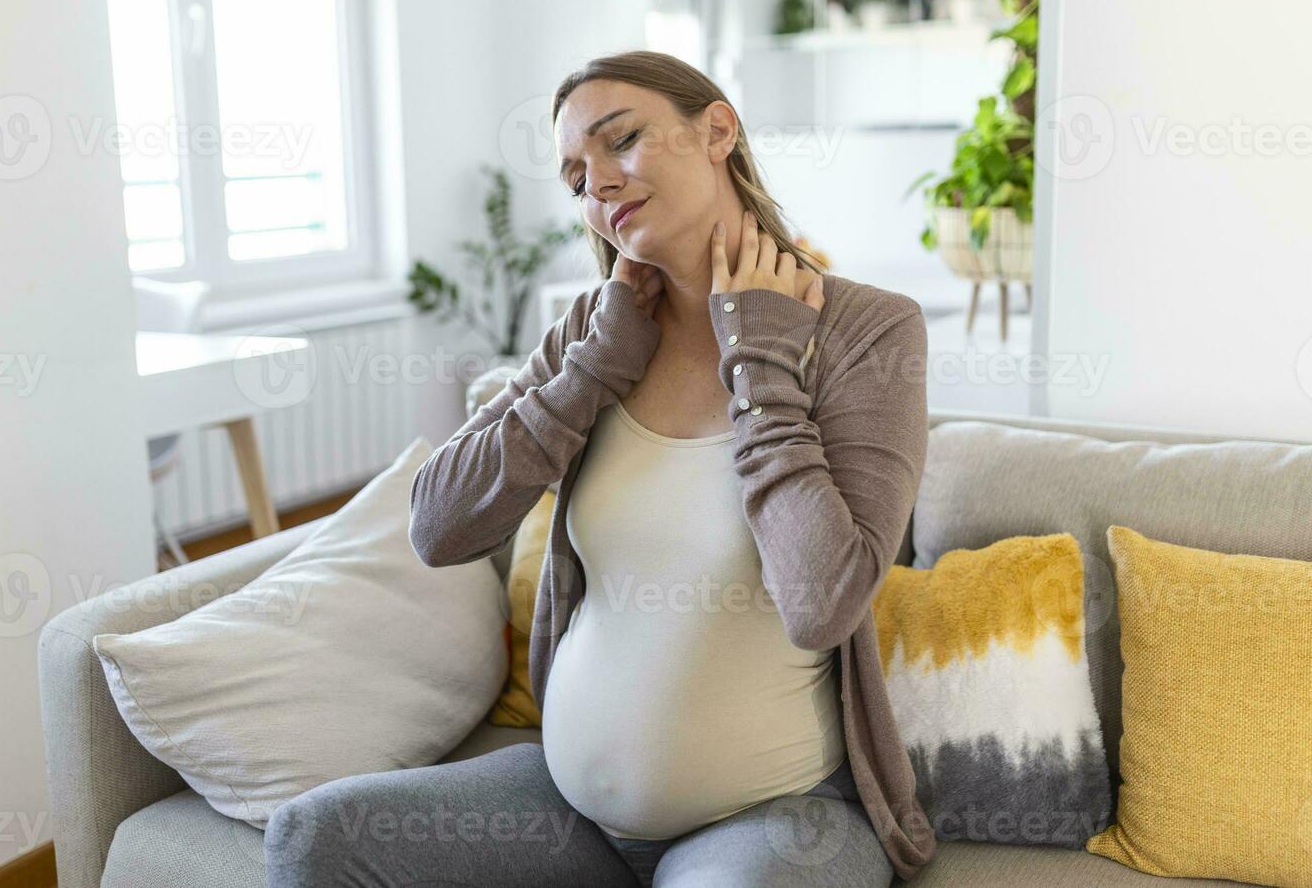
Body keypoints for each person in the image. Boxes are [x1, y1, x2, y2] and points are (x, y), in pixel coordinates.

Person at [265, 50, 935, 887]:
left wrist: (760, 362)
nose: (599, 186)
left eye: (622, 142)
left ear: (716, 129)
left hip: (775, 819)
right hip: (568, 810)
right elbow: (439, 527)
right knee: (313, 839)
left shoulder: (866, 332)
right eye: (576, 177)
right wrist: (592, 368)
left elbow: (824, 599)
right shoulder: (596, 326)